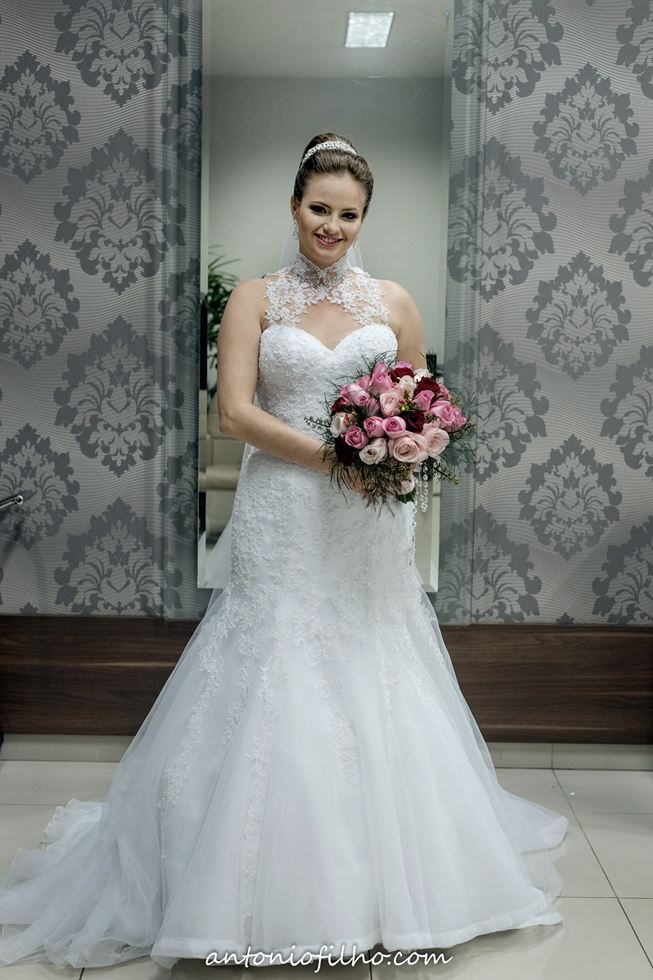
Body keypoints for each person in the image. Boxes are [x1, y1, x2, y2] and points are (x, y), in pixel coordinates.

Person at [0, 132, 568, 971]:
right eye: (318, 208)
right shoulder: (254, 300)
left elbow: (423, 403)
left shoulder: (394, 302)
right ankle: (253, 881)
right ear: (293, 206)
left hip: (367, 520)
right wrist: (338, 458)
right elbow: (233, 413)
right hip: (286, 509)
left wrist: (401, 451)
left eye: (348, 213)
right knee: (276, 654)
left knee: (375, 656)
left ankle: (395, 879)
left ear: (364, 218)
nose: (331, 226)